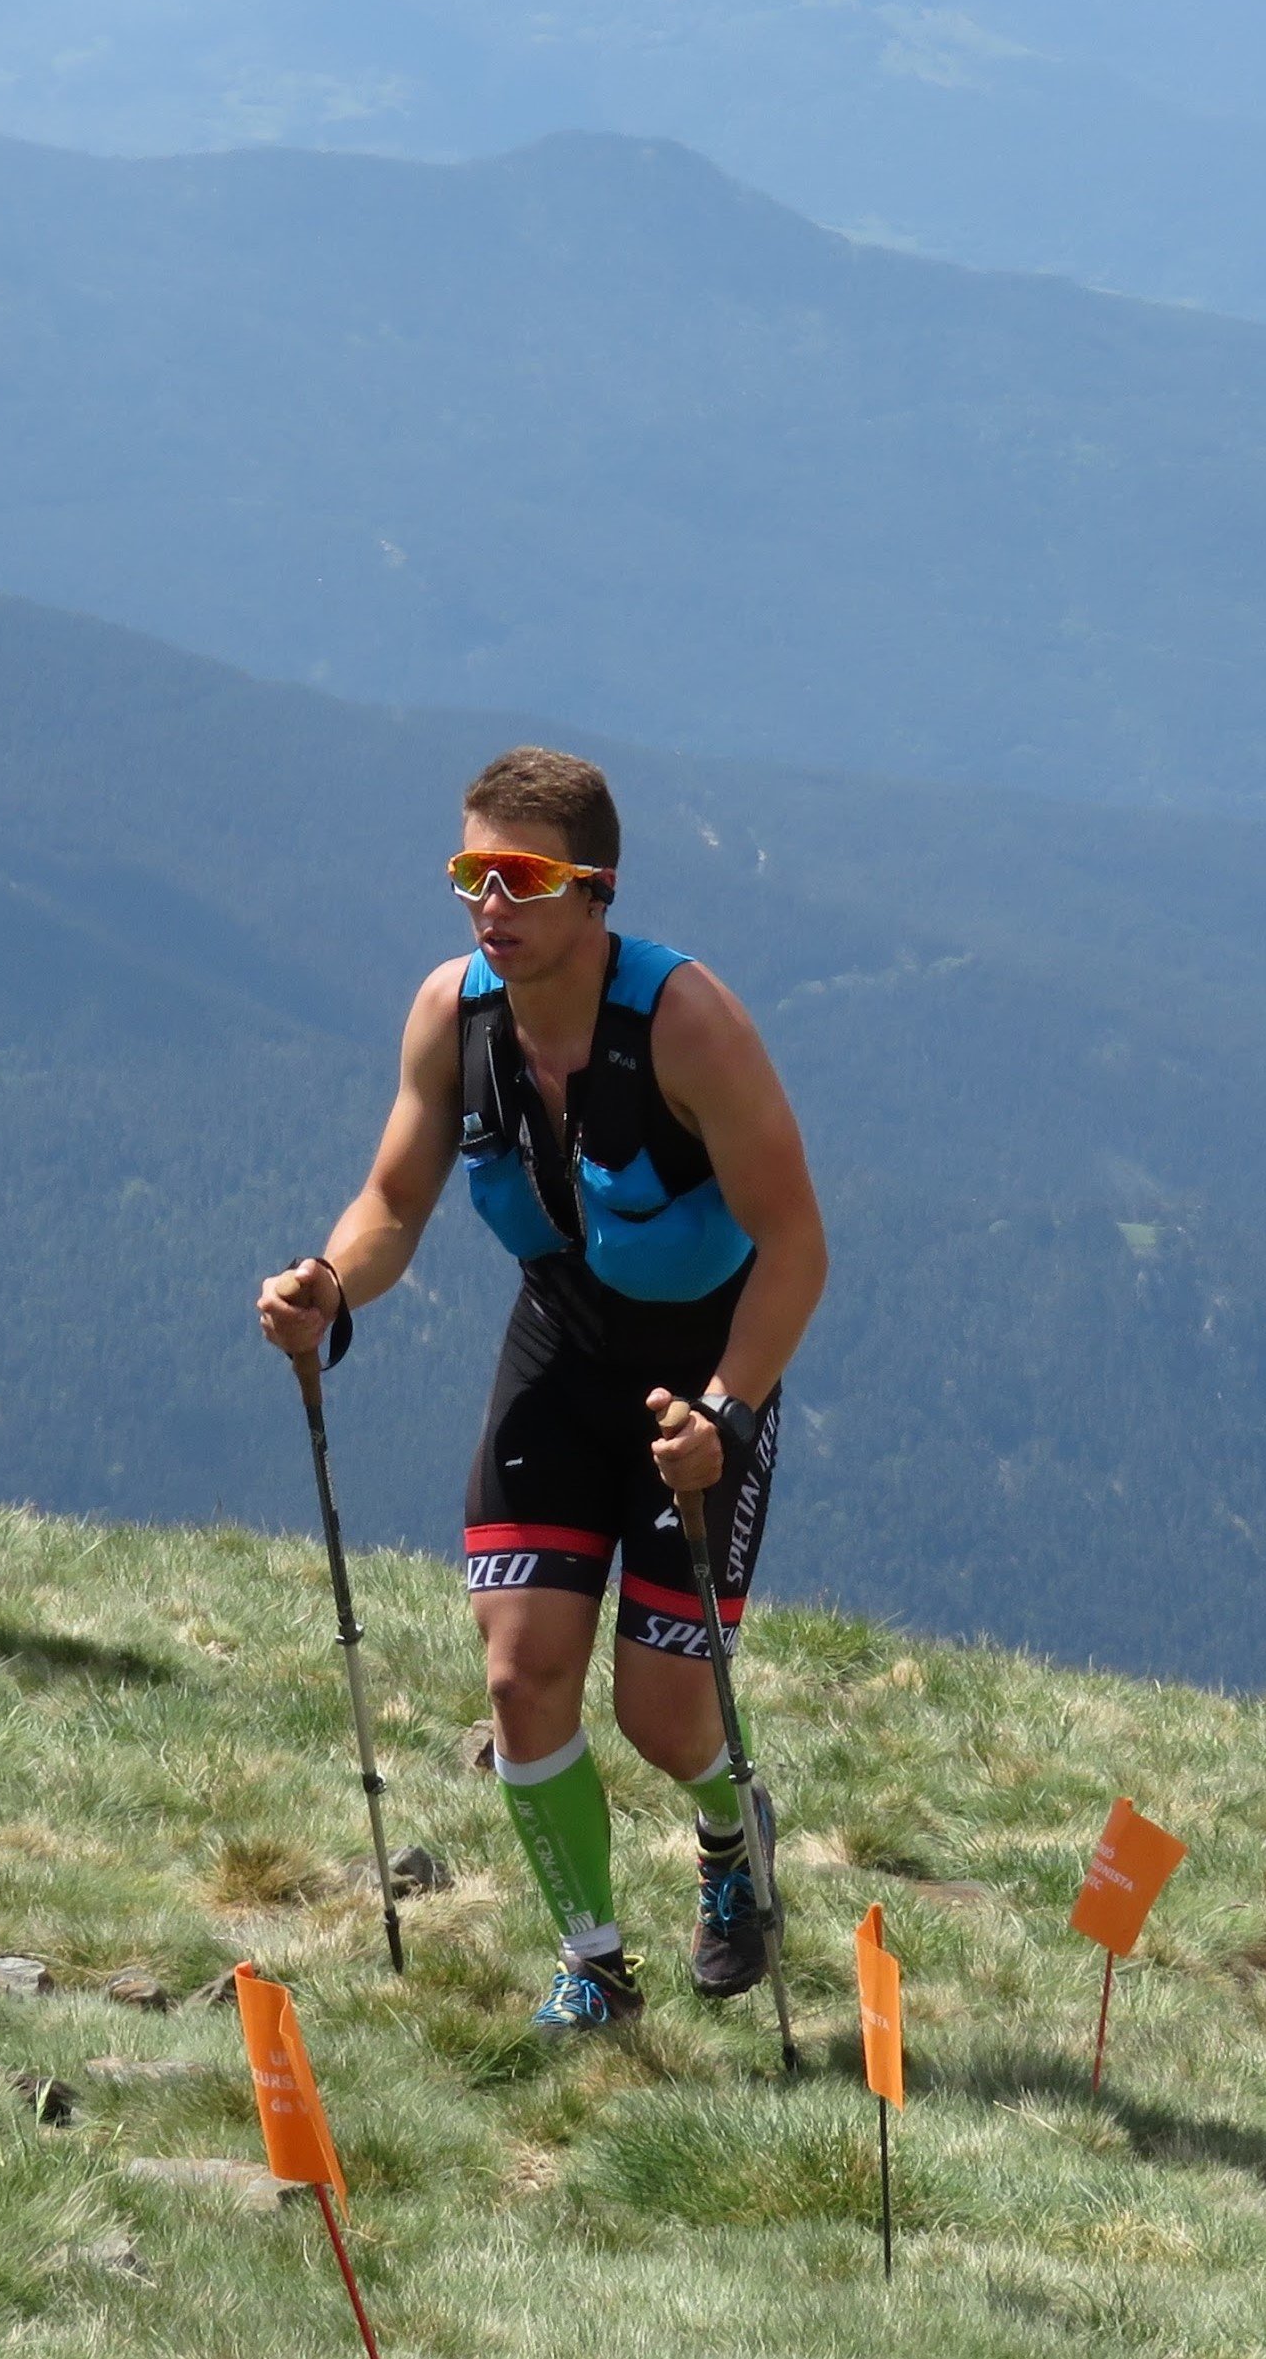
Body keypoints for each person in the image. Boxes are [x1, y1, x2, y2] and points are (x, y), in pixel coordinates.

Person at [257, 748, 829, 2032]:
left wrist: (727, 1415)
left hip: (700, 1375)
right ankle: (596, 1964)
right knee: (519, 1677)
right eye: (471, 874)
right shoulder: (452, 1019)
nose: (489, 906)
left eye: (520, 879)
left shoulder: (687, 1025)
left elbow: (796, 1246)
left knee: (665, 1714)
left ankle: (733, 1840)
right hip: (560, 1351)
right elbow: (395, 1202)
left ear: (596, 890)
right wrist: (329, 1285)